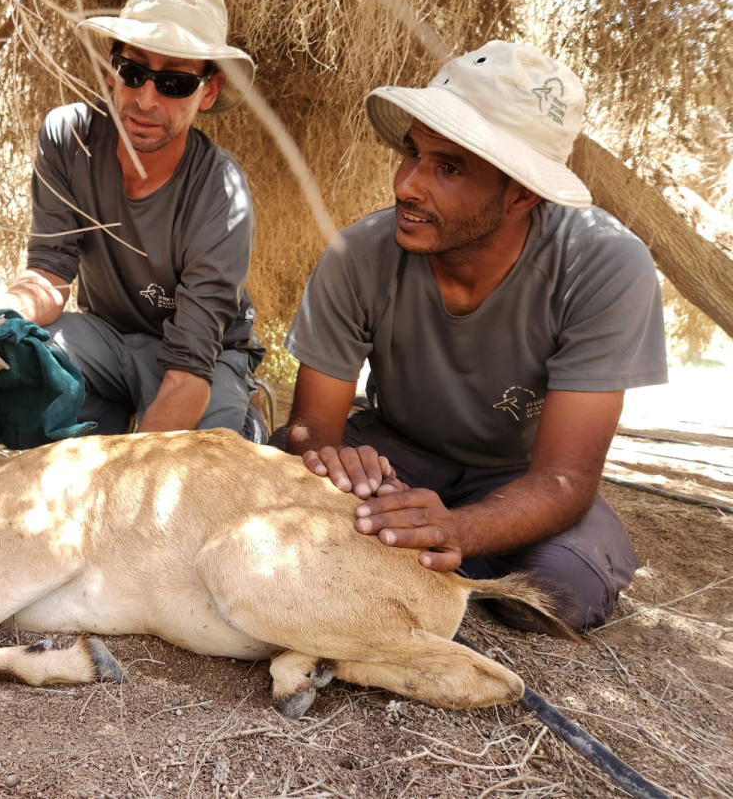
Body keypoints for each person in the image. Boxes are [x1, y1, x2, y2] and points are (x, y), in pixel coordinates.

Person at [281, 41, 668, 632]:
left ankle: (427, 554)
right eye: (412, 152)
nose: (407, 185)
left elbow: (565, 478)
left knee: (559, 591)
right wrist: (333, 462)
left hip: (518, 476)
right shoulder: (357, 254)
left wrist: (459, 527)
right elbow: (312, 430)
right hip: (394, 452)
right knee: (276, 493)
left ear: (521, 193)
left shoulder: (604, 264)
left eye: (449, 167)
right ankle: (424, 553)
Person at [0, 0, 265, 436]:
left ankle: (243, 415)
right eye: (132, 72)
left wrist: (128, 479)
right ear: (112, 69)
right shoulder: (68, 138)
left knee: (204, 460)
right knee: (24, 352)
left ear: (208, 91)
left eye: (174, 82)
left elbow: (187, 373)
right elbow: (48, 277)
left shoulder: (222, 193)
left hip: (204, 360)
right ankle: (103, 420)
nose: (145, 100)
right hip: (106, 340)